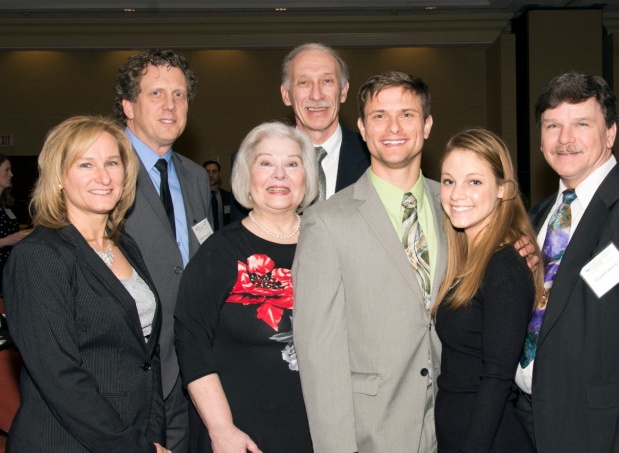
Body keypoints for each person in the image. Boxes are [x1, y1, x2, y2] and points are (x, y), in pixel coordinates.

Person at [514, 72, 619, 452]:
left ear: (610, 134)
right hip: (525, 425)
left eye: (581, 124)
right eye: (552, 125)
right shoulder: (534, 218)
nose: (564, 138)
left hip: (598, 434)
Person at [293, 71, 444, 453]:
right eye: (379, 116)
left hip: (455, 422)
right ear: (361, 127)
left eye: (407, 115)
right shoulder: (326, 222)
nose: (393, 127)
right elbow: (318, 359)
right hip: (374, 433)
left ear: (427, 125)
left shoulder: (457, 208)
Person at [3, 115, 169, 453]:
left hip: (133, 432)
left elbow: (145, 355)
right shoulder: (40, 255)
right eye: (85, 164)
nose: (104, 176)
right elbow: (60, 377)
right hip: (65, 440)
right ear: (59, 177)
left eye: (112, 162)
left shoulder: (125, 246)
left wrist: (152, 435)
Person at [175, 122, 316, 453]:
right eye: (266, 163)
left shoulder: (328, 244)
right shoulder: (220, 251)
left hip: (317, 431)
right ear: (246, 177)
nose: (279, 175)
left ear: (306, 177)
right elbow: (190, 341)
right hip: (241, 435)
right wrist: (221, 429)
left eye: (292, 164)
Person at [115, 48, 212, 453]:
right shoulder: (105, 169)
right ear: (128, 106)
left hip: (192, 364)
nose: (171, 105)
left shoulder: (194, 176)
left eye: (179, 95)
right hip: (129, 365)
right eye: (156, 94)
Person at [433, 129, 540, 453]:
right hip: (460, 433)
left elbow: (496, 378)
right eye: (449, 181)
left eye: (474, 182)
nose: (456, 193)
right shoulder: (469, 259)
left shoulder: (504, 267)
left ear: (503, 190)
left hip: (487, 441)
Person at [231, 42, 370, 220]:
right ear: (286, 94)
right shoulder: (250, 163)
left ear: (343, 91)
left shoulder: (374, 158)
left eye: (327, 81)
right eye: (304, 83)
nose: (316, 95)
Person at [0, 155, 25, 295]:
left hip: (9, 271)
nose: (11, 174)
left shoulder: (5, 204)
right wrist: (6, 241)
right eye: (6, 170)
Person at [203, 159, 232, 230]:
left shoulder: (227, 196)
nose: (211, 175)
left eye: (214, 172)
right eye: (207, 172)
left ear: (219, 174)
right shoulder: (197, 197)